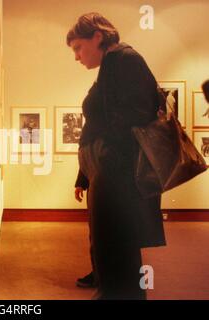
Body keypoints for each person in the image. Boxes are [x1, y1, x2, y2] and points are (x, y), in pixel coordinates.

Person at [67, 13, 166, 299]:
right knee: (109, 248)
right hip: (106, 172)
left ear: (97, 37)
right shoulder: (112, 64)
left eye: (77, 48)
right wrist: (86, 172)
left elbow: (137, 116)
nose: (76, 57)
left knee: (116, 248)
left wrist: (106, 157)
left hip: (116, 175)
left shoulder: (125, 59)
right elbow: (102, 122)